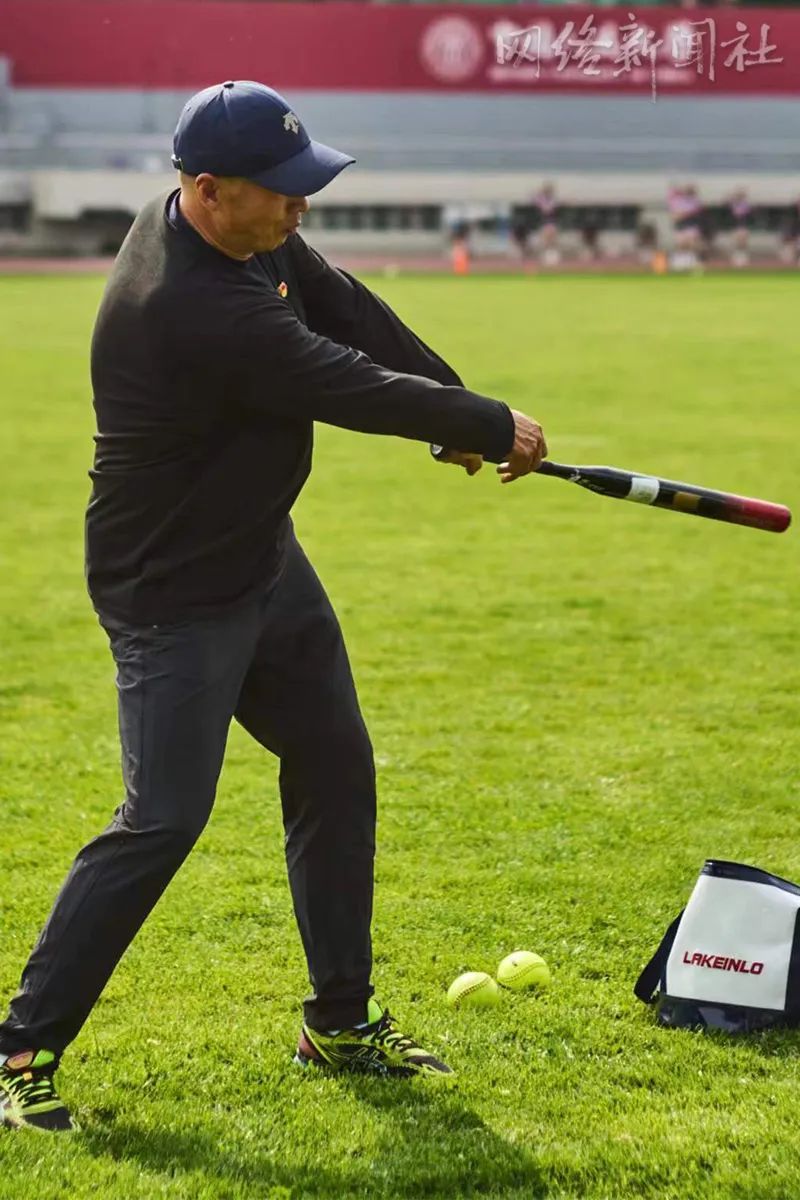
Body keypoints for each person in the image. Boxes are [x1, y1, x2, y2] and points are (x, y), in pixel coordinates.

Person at [0, 81, 546, 1131]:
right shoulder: (192, 305)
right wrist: (480, 418)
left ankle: (338, 1021)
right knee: (162, 818)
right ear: (207, 192)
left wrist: (454, 411)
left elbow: (346, 309)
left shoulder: (244, 243)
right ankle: (20, 1048)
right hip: (172, 591)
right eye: (282, 194)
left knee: (335, 763)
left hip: (260, 561)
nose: (302, 210)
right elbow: (331, 376)